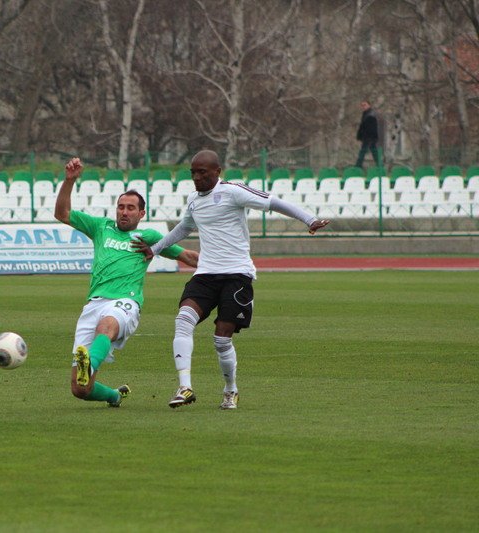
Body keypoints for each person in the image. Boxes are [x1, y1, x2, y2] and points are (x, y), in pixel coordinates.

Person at [135, 150, 329, 410]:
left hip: (236, 275)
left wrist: (310, 219)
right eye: (193, 172)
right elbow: (185, 227)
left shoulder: (233, 191)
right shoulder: (194, 199)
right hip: (205, 274)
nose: (196, 177)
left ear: (217, 171)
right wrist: (155, 249)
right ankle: (184, 386)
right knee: (183, 319)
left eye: (202, 172)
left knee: (222, 339)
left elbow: (273, 202)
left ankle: (230, 389)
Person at [55, 157, 199, 407]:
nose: (124, 211)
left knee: (106, 327)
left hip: (125, 301)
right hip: (93, 304)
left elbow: (187, 256)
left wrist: (226, 264)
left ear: (141, 213)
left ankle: (89, 362)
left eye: (131, 208)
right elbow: (62, 214)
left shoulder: (149, 237)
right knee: (80, 389)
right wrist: (69, 181)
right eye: (121, 206)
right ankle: (114, 395)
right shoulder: (101, 227)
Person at [355, 100, 380, 168]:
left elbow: (371, 128)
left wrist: (369, 137)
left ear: (369, 105)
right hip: (367, 136)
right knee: (372, 151)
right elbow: (362, 126)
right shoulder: (366, 114)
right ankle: (379, 165)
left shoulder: (371, 114)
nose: (363, 107)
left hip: (369, 137)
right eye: (362, 105)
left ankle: (358, 166)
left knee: (363, 152)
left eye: (365, 105)